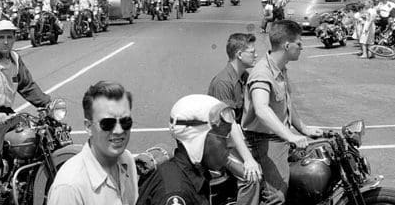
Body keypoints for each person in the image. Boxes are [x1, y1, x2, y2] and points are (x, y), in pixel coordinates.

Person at [242, 20, 322, 204]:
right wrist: (290, 136)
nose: (301, 48)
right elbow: (262, 109)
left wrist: (303, 128)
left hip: (277, 140)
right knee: (277, 197)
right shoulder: (262, 73)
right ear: (287, 45)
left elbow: (284, 103)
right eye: (299, 44)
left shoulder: (280, 69)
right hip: (264, 141)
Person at [0, 20, 51, 205]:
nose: (6, 41)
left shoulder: (15, 58)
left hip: (6, 113)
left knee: (33, 142)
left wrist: (48, 103)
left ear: (15, 38)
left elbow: (27, 85)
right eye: (1, 37)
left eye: (9, 37)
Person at [48, 81, 138, 205]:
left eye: (125, 121)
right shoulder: (69, 187)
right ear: (88, 127)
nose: (119, 130)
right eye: (107, 123)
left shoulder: (127, 160)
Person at [137, 94, 235, 205]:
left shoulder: (193, 175)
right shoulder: (176, 192)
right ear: (197, 138)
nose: (231, 144)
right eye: (224, 136)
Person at [206, 34, 261, 205]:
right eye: (252, 52)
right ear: (239, 54)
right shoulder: (223, 82)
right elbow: (231, 126)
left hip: (234, 139)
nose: (256, 55)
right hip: (219, 144)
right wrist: (249, 160)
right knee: (251, 176)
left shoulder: (243, 77)